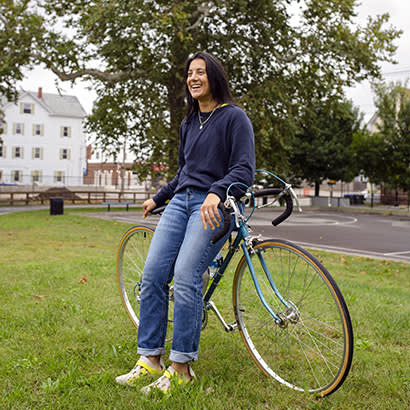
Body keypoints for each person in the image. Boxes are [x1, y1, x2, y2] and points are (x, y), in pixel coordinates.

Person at [115, 51, 255, 394]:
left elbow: (244, 170)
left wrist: (217, 192)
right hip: (181, 203)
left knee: (186, 275)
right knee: (152, 276)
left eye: (200, 72)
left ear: (214, 77)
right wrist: (159, 198)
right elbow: (184, 174)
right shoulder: (189, 123)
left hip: (213, 206)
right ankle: (150, 359)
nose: (193, 78)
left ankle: (180, 368)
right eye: (189, 73)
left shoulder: (234, 118)